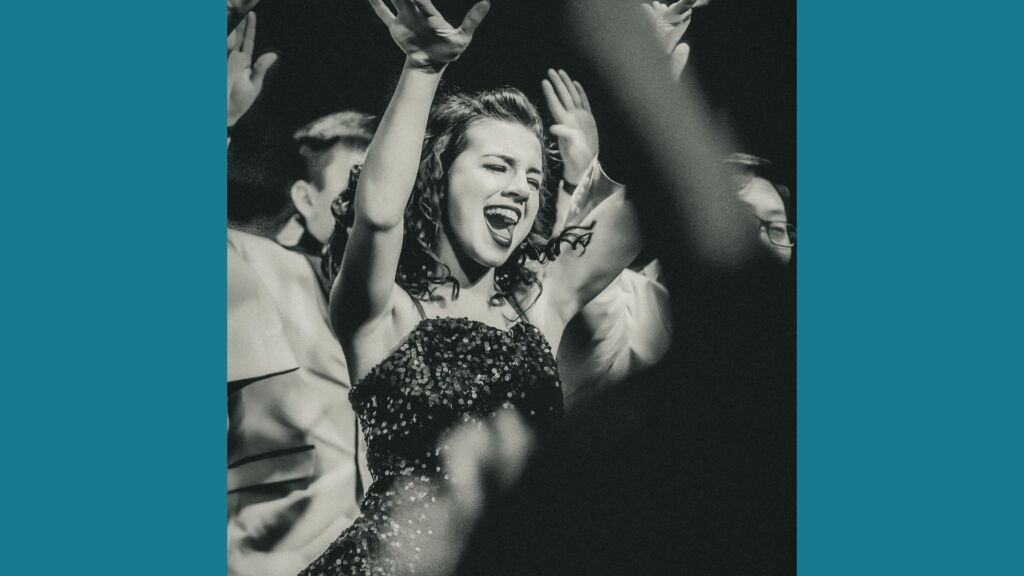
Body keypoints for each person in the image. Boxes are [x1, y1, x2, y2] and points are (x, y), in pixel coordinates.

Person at [300, 1, 644, 574]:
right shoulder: (382, 314)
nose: (520, 188)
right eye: (497, 167)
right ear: (437, 177)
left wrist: (645, 67)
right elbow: (380, 216)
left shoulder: (541, 303)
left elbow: (651, 208)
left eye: (534, 177)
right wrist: (422, 68)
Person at [226, 6, 377, 575]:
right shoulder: (253, 266)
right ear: (307, 202)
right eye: (350, 195)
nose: (372, 216)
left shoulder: (421, 310)